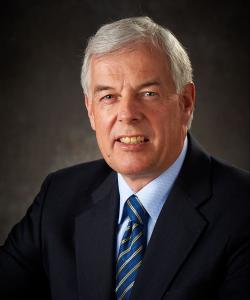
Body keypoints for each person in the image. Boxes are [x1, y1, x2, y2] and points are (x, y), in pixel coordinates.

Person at [0, 16, 249, 300]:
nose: (127, 113)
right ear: (91, 110)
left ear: (185, 103)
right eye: (108, 96)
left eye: (148, 93)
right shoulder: (58, 197)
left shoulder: (242, 209)